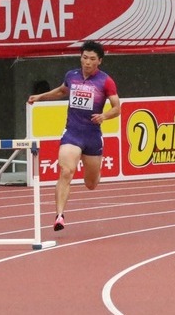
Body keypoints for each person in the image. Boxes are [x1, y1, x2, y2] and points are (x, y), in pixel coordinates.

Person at [27, 41, 120, 231]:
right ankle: (59, 215)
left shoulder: (105, 81)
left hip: (92, 135)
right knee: (66, 171)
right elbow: (62, 91)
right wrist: (40, 97)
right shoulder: (72, 76)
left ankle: (93, 174)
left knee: (91, 183)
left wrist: (104, 115)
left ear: (99, 61)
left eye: (92, 59)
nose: (87, 62)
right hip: (73, 132)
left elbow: (117, 108)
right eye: (84, 58)